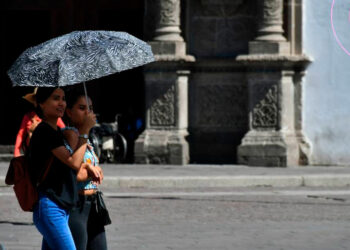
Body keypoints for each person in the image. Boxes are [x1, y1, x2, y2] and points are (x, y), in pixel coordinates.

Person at [28, 87, 101, 250]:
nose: (61, 103)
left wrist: (88, 165)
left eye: (63, 98)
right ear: (41, 104)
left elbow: (70, 169)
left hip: (61, 206)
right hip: (50, 207)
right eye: (55, 98)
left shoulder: (57, 133)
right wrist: (85, 131)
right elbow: (74, 163)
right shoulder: (45, 132)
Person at [63, 88, 107, 250]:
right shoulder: (69, 135)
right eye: (82, 108)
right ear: (69, 112)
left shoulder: (87, 139)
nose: (88, 112)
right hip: (76, 206)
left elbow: (89, 166)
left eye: (91, 108)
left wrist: (95, 169)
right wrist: (88, 169)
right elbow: (73, 174)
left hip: (93, 205)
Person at [14, 88, 65, 157]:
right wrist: (16, 152)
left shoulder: (54, 118)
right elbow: (21, 134)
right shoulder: (28, 116)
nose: (61, 103)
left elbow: (64, 131)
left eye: (63, 99)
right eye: (56, 99)